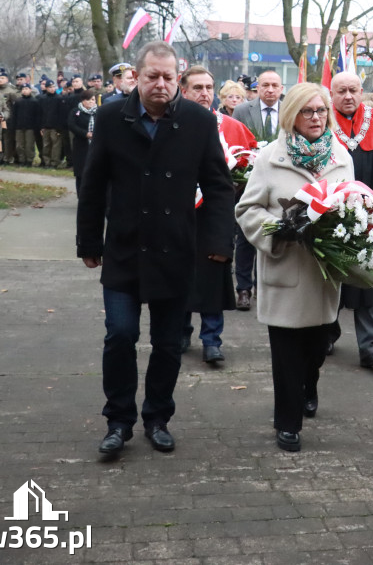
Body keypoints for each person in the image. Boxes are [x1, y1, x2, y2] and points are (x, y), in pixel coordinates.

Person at [77, 41, 235, 457]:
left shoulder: (199, 121)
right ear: (137, 76)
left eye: (168, 77)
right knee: (121, 335)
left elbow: (219, 187)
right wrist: (89, 241)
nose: (160, 84)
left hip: (176, 251)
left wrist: (219, 241)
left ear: (177, 78)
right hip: (125, 249)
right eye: (152, 76)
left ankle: (158, 417)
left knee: (167, 343)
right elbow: (92, 185)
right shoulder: (112, 117)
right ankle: (118, 421)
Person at [235, 82, 355, 453]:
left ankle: (310, 383)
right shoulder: (271, 158)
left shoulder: (341, 156)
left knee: (318, 346)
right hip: (285, 268)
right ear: (292, 116)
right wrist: (280, 230)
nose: (316, 117)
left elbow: (352, 205)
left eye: (321, 111)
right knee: (286, 352)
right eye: (308, 111)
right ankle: (287, 422)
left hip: (323, 274)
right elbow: (247, 210)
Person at [179, 66, 256, 364]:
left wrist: (241, 177)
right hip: (182, 213)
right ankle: (180, 332)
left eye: (209, 88)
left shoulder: (230, 125)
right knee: (181, 274)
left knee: (214, 273)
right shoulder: (172, 124)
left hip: (216, 212)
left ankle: (212, 339)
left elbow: (251, 156)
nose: (204, 93)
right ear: (183, 91)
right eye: (197, 88)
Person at [327, 72, 373, 367]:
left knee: (367, 279)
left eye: (353, 90)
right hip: (330, 215)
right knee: (328, 280)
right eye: (341, 91)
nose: (348, 96)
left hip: (371, 216)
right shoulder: (319, 120)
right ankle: (326, 336)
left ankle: (370, 345)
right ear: (331, 94)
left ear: (362, 92)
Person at [231, 70, 285, 310]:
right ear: (258, 88)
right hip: (248, 183)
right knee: (245, 237)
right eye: (265, 85)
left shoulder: (289, 110)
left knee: (272, 234)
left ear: (281, 88)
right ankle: (243, 288)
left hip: (279, 185)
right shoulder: (243, 110)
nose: (270, 90)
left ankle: (266, 288)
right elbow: (237, 145)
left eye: (275, 85)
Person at [68, 89, 98, 193]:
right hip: (81, 145)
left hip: (96, 146)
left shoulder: (98, 112)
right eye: (89, 100)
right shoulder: (76, 111)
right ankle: (81, 196)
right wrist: (85, 134)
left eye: (93, 99)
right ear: (83, 101)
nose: (91, 102)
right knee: (81, 173)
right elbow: (72, 125)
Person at [12, 83, 42, 166]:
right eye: (23, 89)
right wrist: (14, 126)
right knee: (19, 145)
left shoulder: (34, 101)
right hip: (19, 127)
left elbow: (37, 115)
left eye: (26, 89)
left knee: (29, 145)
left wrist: (36, 127)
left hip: (30, 127)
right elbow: (14, 115)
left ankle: (29, 160)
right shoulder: (18, 101)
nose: (24, 91)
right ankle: (22, 160)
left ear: (30, 90)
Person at [38, 79, 65, 168]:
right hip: (46, 126)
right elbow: (41, 113)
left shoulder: (59, 98)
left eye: (53, 87)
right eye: (50, 87)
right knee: (46, 145)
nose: (52, 89)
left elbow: (61, 114)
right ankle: (47, 162)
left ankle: (54, 162)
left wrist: (59, 128)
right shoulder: (42, 99)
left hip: (55, 127)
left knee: (56, 146)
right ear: (46, 88)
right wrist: (41, 126)